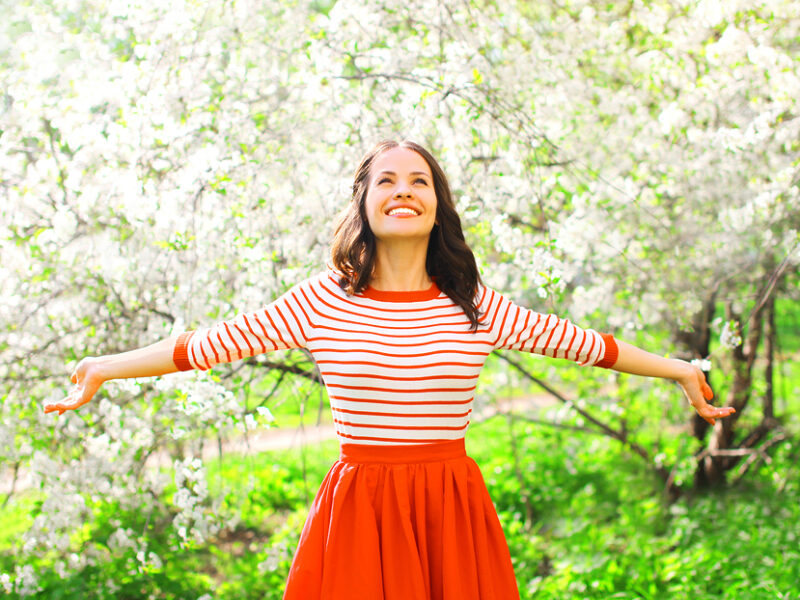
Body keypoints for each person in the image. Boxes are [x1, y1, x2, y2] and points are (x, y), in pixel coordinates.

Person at [45, 139, 735, 599]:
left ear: (437, 206)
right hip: (361, 508)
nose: (404, 190)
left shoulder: (473, 306)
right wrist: (103, 367)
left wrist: (679, 370)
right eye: (387, 181)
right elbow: (207, 345)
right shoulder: (321, 301)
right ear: (364, 204)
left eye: (420, 181)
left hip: (449, 505)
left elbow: (585, 344)